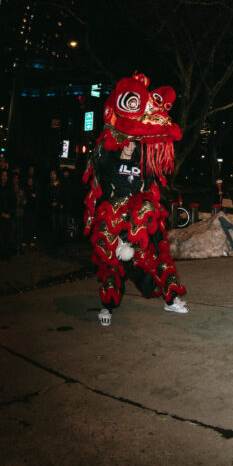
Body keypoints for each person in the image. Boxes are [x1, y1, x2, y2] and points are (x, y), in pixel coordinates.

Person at [84, 72, 188, 326]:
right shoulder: (108, 156)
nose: (130, 146)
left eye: (133, 143)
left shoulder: (144, 158)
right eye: (126, 142)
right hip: (114, 216)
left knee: (155, 250)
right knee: (110, 261)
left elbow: (156, 174)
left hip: (138, 219)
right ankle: (107, 307)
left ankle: (171, 299)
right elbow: (98, 171)